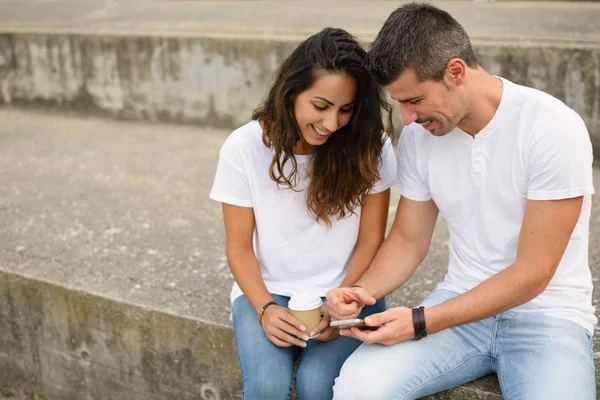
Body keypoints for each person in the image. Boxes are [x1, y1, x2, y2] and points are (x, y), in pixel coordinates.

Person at [326, 3, 596, 400]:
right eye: (399, 102)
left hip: (547, 316)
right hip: (457, 302)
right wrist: (359, 291)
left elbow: (533, 273)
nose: (407, 117)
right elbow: (407, 240)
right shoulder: (421, 137)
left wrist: (421, 321)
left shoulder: (552, 128)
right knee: (356, 388)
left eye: (414, 99)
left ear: (455, 71)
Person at [209, 27, 396, 400]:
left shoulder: (369, 145)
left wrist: (343, 301)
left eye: (346, 109)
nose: (331, 124)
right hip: (269, 290)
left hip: (351, 289)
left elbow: (371, 239)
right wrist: (263, 308)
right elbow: (240, 249)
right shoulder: (244, 147)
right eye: (321, 106)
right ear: (292, 92)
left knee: (317, 387)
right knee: (266, 387)